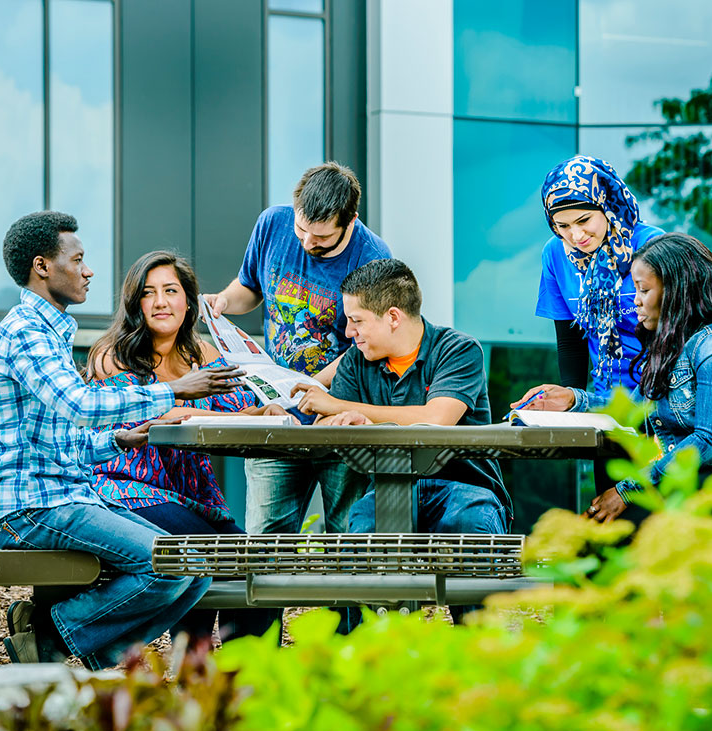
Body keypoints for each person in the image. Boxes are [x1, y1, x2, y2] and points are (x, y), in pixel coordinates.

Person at [0, 211, 242, 667]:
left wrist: (119, 443)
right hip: (30, 505)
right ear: (42, 267)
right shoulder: (26, 332)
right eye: (78, 259)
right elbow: (80, 405)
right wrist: (173, 389)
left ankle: (63, 644)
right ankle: (49, 639)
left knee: (193, 567)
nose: (88, 271)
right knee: (166, 566)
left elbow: (64, 440)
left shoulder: (50, 332)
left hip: (66, 495)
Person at [295, 259, 513, 623]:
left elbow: (436, 419)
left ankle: (480, 658)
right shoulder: (356, 362)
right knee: (363, 529)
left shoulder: (458, 350)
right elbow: (334, 421)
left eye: (357, 320)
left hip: (464, 486)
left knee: (471, 523)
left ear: (393, 317)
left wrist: (347, 407)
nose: (349, 332)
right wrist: (345, 417)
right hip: (387, 489)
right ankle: (371, 660)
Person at [86, 250, 278, 643]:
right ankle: (196, 677)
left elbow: (246, 404)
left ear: (188, 300)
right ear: (134, 303)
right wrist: (246, 418)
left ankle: (248, 681)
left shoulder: (201, 353)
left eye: (170, 290)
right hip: (126, 489)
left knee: (261, 563)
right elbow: (162, 416)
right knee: (199, 553)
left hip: (190, 494)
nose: (160, 301)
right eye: (148, 292)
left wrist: (267, 405)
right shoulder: (112, 355)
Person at [205, 161, 392, 541]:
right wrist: (223, 301)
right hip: (276, 413)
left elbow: (366, 345)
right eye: (302, 230)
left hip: (340, 416)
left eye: (322, 238)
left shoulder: (374, 258)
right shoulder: (272, 224)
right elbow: (250, 287)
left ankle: (347, 605)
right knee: (264, 540)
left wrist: (311, 386)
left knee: (348, 538)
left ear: (350, 220)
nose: (307, 244)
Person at [514, 232, 712, 525]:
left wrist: (626, 491)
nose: (635, 302)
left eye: (643, 290)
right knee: (601, 529)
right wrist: (573, 399)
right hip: (687, 483)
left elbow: (711, 441)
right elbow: (635, 410)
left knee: (612, 530)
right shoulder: (673, 345)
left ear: (676, 289)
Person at [528, 155, 663, 493]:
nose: (576, 235)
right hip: (606, 410)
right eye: (562, 226)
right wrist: (569, 408)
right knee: (613, 522)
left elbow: (677, 336)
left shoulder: (653, 246)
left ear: (606, 204)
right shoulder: (555, 255)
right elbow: (570, 342)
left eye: (584, 220)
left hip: (661, 407)